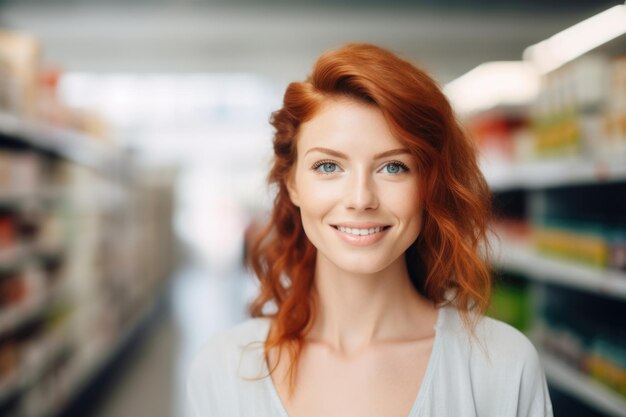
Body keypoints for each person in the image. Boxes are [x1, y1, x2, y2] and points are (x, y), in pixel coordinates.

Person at [187, 43, 553, 417]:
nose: (361, 199)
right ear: (292, 184)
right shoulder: (223, 369)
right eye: (329, 166)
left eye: (393, 167)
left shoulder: (503, 367)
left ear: (429, 185)